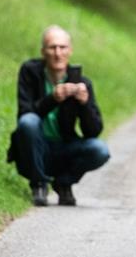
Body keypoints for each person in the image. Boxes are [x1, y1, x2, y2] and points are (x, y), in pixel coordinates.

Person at [6, 25, 108, 206]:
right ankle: (39, 184)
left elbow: (93, 131)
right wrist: (52, 98)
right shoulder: (30, 71)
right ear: (43, 51)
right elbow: (24, 115)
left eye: (62, 48)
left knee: (100, 150)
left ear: (70, 51)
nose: (57, 53)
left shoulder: (82, 83)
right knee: (28, 123)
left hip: (65, 147)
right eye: (52, 47)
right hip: (36, 147)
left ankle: (63, 183)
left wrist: (84, 104)